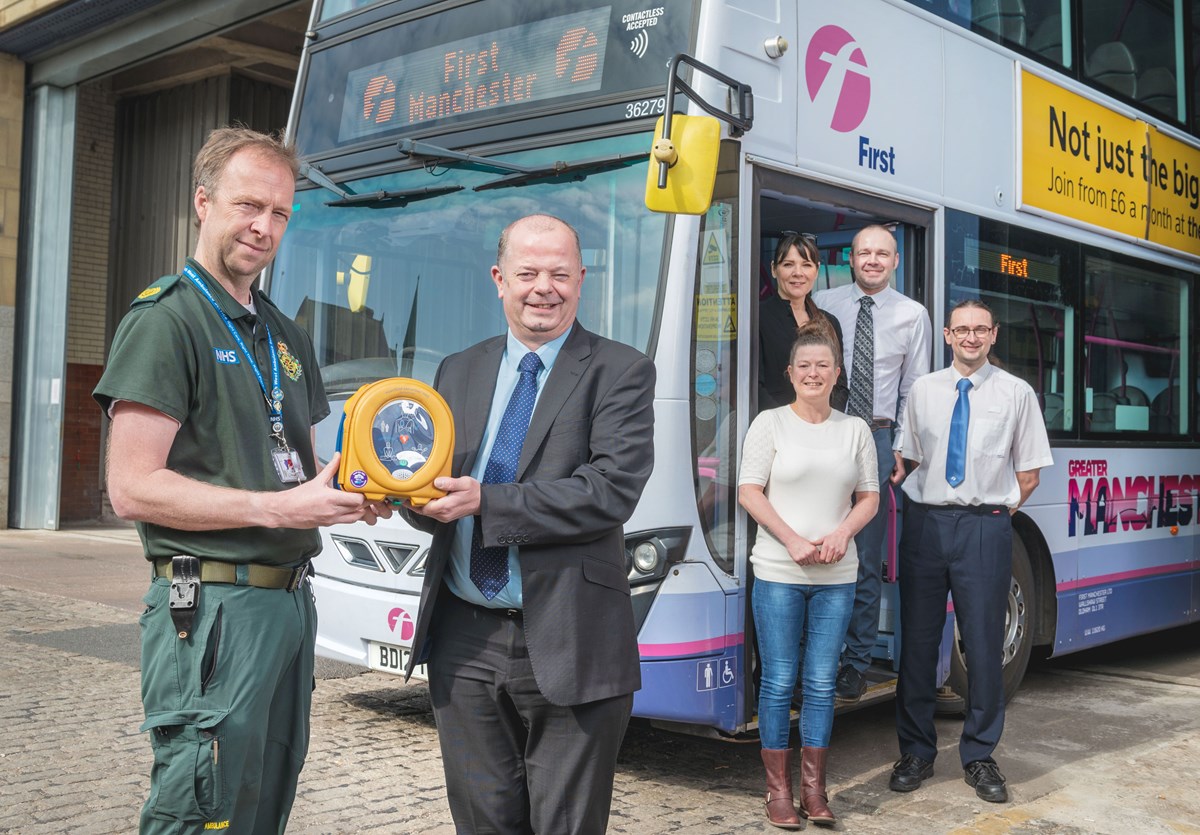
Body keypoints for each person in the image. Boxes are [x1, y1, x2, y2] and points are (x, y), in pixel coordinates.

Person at [93, 127, 390, 834]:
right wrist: (282, 506)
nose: (264, 227)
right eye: (248, 205)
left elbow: (304, 465)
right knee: (201, 807)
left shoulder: (286, 334)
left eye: (281, 212)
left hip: (288, 606)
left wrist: (359, 485)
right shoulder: (167, 321)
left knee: (263, 804)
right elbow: (132, 486)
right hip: (214, 605)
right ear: (203, 203)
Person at [400, 214, 656, 834]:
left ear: (581, 280)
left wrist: (487, 501)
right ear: (498, 279)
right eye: (528, 272)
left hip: (573, 636)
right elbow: (437, 477)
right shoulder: (457, 370)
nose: (544, 287)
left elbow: (608, 491)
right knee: (483, 823)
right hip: (463, 639)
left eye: (560, 273)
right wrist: (404, 495)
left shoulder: (619, 370)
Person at [889, 300, 1052, 803]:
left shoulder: (1016, 393)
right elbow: (909, 457)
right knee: (917, 643)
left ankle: (979, 754)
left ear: (994, 335)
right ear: (947, 335)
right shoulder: (923, 390)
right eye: (962, 329)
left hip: (986, 526)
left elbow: (1029, 473)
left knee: (983, 645)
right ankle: (916, 752)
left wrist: (995, 510)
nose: (971, 337)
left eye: (981, 329)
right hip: (925, 524)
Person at [739, 324, 879, 829]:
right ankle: (778, 794)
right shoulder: (769, 423)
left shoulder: (854, 429)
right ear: (791, 374)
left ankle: (815, 792)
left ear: (837, 374)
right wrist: (793, 540)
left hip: (837, 575)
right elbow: (749, 491)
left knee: (820, 684)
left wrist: (842, 534)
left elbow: (870, 496)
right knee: (778, 682)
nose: (814, 373)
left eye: (823, 365)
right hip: (778, 570)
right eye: (805, 366)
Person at [813, 224, 931, 702]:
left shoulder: (913, 314)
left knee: (864, 555)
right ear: (851, 258)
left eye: (882, 254)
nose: (873, 261)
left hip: (879, 437)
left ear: (896, 260)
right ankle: (817, 652)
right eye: (865, 253)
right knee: (819, 542)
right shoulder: (826, 305)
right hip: (827, 432)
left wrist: (902, 448)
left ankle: (855, 663)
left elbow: (914, 390)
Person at [758, 232, 849, 412]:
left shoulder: (829, 322)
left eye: (806, 265)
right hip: (776, 428)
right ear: (774, 269)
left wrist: (824, 423)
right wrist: (791, 426)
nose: (798, 273)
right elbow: (754, 387)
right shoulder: (757, 318)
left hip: (823, 431)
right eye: (788, 264)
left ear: (816, 270)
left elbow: (839, 385)